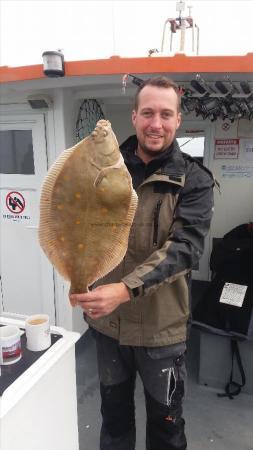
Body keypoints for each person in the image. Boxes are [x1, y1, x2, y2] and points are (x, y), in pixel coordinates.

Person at [70, 77, 214, 450]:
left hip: (161, 335)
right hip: (108, 329)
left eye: (166, 114)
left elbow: (186, 248)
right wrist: (75, 272)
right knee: (114, 422)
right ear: (134, 117)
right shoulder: (101, 170)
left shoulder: (194, 180)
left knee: (166, 429)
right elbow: (76, 223)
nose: (156, 123)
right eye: (147, 113)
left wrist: (123, 289)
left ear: (178, 120)